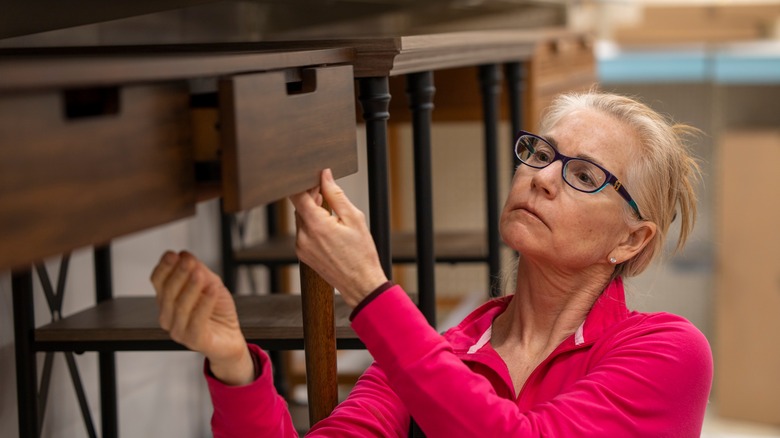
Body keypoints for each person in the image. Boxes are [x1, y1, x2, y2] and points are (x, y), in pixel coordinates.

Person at [151, 91, 713, 437]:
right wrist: (234, 368)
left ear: (631, 241)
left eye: (584, 175)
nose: (541, 178)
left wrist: (369, 290)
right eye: (541, 154)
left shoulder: (667, 352)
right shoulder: (438, 355)